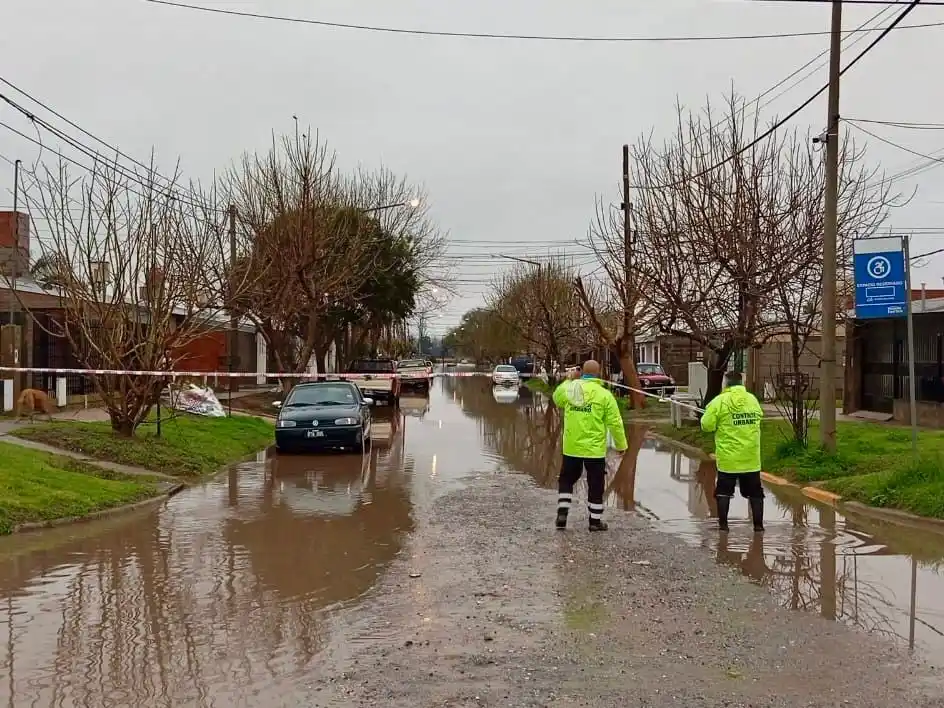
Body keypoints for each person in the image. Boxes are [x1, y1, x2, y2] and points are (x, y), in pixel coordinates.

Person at [552, 360, 628, 531]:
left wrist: (568, 380)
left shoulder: (570, 388)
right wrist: (621, 444)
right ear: (599, 373)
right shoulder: (604, 395)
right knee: (596, 484)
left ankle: (562, 514)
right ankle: (595, 522)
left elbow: (557, 398)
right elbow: (615, 423)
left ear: (582, 372)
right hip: (594, 451)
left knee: (566, 480)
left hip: (572, 447)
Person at [699, 370, 765, 533]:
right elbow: (759, 417)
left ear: (725, 383)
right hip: (751, 459)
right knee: (756, 494)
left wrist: (709, 413)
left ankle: (723, 527)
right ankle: (758, 527)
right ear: (741, 383)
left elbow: (706, 426)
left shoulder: (719, 402)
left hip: (728, 460)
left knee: (723, 492)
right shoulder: (752, 400)